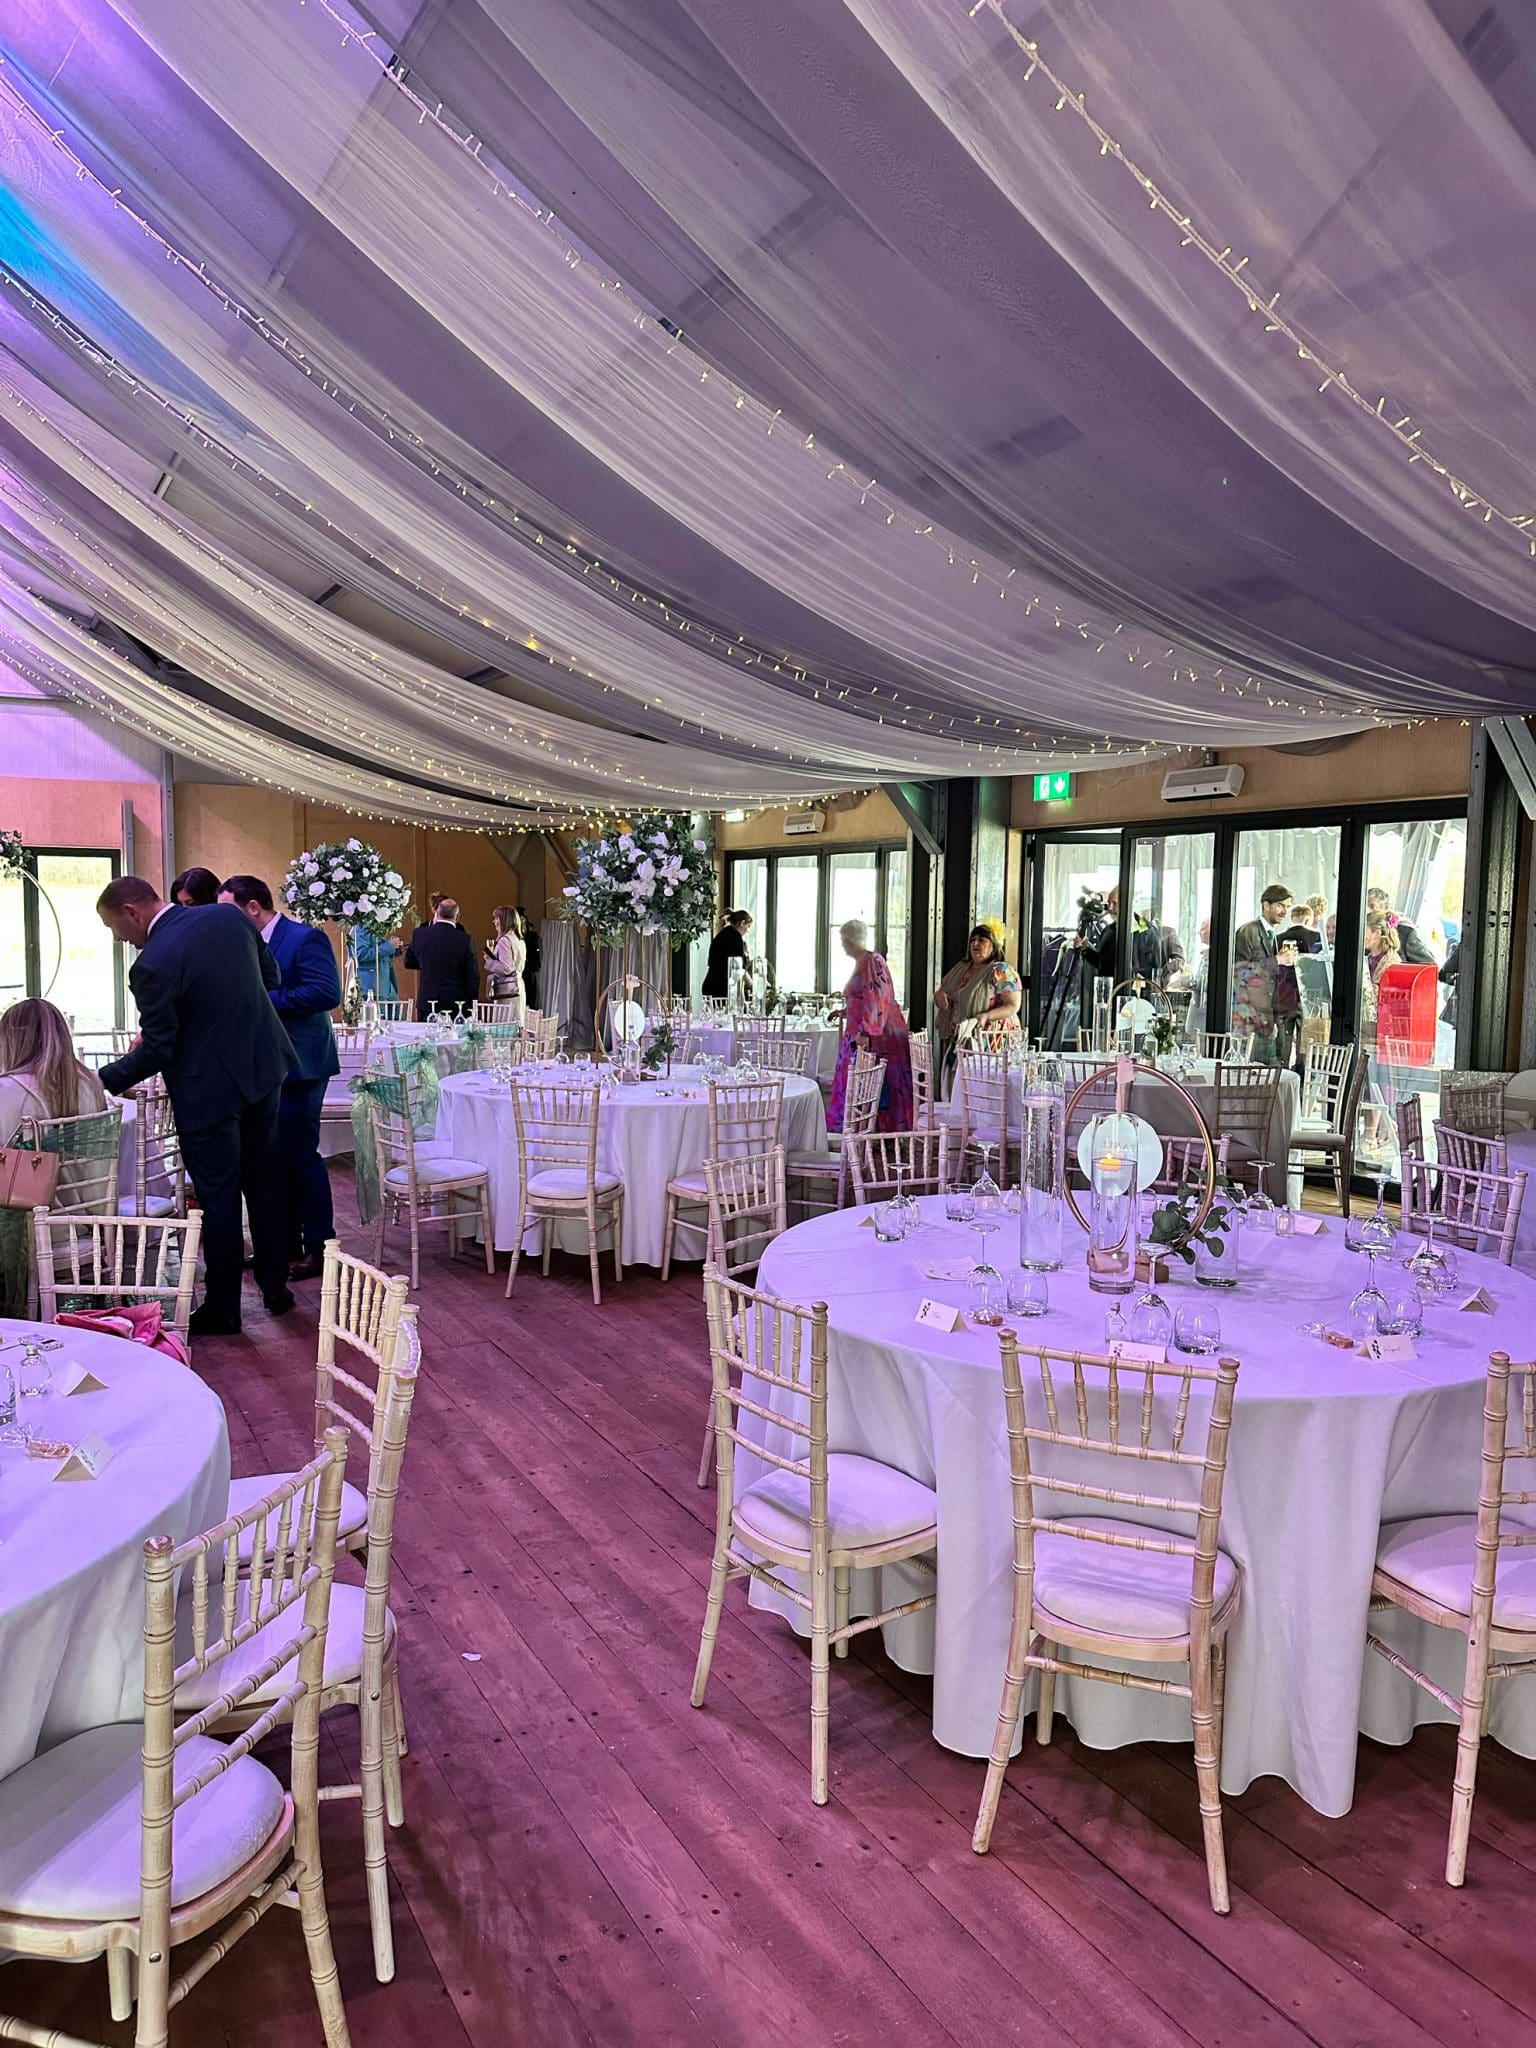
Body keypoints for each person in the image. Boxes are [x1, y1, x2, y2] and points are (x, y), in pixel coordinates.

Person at [96, 876, 294, 1335]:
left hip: (207, 1090)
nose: (120, 939)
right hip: (262, 1068)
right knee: (265, 1180)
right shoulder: (229, 917)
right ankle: (276, 1287)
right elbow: (271, 979)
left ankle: (224, 1308)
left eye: (115, 928)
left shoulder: (151, 965)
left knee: (218, 1196)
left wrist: (97, 1080)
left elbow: (158, 1048)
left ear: (131, 911)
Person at [220, 875, 341, 1282]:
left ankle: (320, 1246)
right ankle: (283, 1243)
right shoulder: (242, 944)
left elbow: (326, 993)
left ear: (253, 907)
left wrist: (263, 999)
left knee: (300, 1153)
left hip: (303, 1063)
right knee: (271, 1158)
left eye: (230, 911)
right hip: (266, 1066)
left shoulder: (305, 938)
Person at [0, 998, 109, 1199]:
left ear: (10, 1042)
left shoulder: (7, 1090)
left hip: (24, 1211)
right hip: (89, 1208)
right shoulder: (90, 1083)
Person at [827, 918, 911, 1133]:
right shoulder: (865, 961)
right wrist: (845, 1012)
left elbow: (877, 1000)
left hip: (875, 1038)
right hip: (865, 1032)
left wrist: (866, 1032)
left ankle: (871, 1132)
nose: (842, 945)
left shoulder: (871, 962)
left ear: (849, 940)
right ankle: (862, 1130)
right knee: (865, 1085)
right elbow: (863, 999)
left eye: (843, 940)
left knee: (872, 1086)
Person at [933, 922, 1023, 1071]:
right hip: (960, 1037)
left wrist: (987, 1016)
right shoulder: (961, 968)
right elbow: (943, 989)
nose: (975, 944)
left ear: (994, 945)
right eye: (973, 940)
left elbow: (1013, 1005)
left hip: (990, 1039)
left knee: (984, 1080)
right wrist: (939, 994)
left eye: (981, 940)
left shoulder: (1001, 970)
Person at [1233, 883, 1299, 1067]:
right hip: (1249, 1015)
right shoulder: (1248, 932)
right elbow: (1239, 972)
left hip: (1268, 1015)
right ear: (1266, 905)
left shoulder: (1272, 934)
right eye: (1280, 905)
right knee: (1251, 1071)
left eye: (1287, 906)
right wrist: (1276, 960)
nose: (1284, 911)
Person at [1075, 886, 1184, 987]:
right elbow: (1103, 964)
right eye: (1109, 903)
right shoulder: (1108, 931)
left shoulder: (1147, 932)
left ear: (1130, 905)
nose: (1110, 908)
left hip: (1137, 995)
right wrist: (1086, 949)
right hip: (1111, 992)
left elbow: (1155, 969)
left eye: (1115, 904)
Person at [404, 895, 479, 1018]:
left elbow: (409, 962)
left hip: (428, 998)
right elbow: (472, 976)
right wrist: (472, 1004)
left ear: (437, 913)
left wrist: (427, 964)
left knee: (426, 1030)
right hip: (456, 1001)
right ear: (457, 916)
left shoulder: (419, 934)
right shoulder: (465, 940)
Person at [1366, 886, 1435, 966]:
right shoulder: (1363, 931)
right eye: (1364, 907)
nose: (1367, 911)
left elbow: (1429, 965)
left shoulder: (1405, 933)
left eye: (1372, 906)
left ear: (1386, 907)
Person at [484, 905, 526, 1016]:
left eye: (496, 918)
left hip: (507, 990)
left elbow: (507, 968)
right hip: (517, 986)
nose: (494, 922)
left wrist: (490, 961)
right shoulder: (518, 939)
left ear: (503, 920)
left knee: (505, 1023)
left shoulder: (504, 940)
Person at [702, 910, 753, 1001]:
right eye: (748, 926)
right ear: (742, 923)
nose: (747, 931)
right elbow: (738, 970)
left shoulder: (722, 934)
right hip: (722, 988)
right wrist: (750, 990)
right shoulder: (736, 937)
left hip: (710, 984)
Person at [355, 926, 401, 1003]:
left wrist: (394, 949)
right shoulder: (361, 927)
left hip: (386, 986)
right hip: (372, 987)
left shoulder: (375, 927)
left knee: (396, 1010)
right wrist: (389, 946)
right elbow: (361, 954)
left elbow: (379, 953)